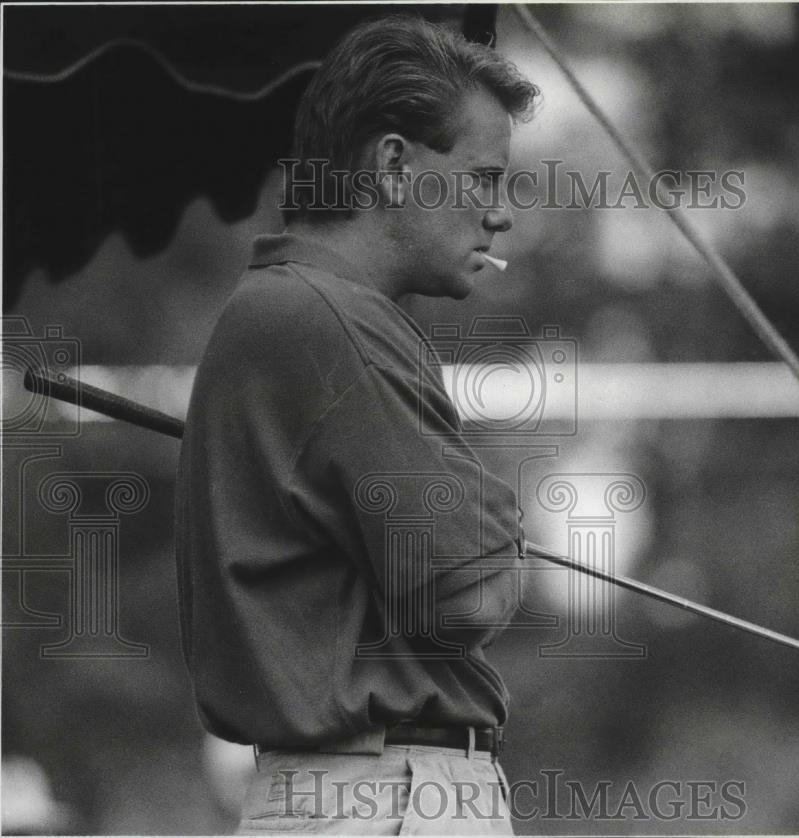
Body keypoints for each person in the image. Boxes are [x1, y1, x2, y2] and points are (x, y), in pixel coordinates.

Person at [174, 15, 539, 835]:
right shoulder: (331, 320)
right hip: (386, 796)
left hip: (349, 796)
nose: (500, 215)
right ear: (395, 164)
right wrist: (501, 526)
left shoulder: (285, 309)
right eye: (483, 179)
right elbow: (473, 598)